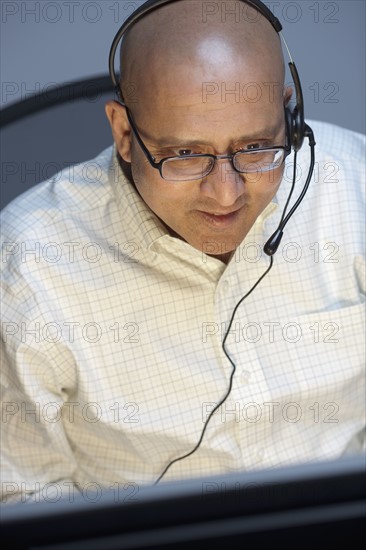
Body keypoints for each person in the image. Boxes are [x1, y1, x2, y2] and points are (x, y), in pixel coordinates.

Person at [1, 0, 365, 505]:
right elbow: (20, 496)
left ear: (289, 114)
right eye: (185, 156)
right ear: (124, 133)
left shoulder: (355, 188)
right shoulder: (27, 265)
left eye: (256, 147)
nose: (226, 194)